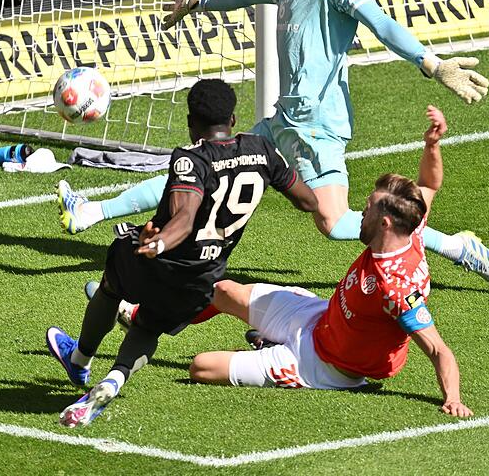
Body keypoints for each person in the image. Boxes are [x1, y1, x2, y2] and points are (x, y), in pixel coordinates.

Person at [55, 0, 489, 289]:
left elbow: (381, 23)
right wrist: (202, 2)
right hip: (282, 119)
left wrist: (432, 64)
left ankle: (455, 246)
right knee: (197, 169)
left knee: (332, 223)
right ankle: (90, 212)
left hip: (318, 125)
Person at [46, 79, 317, 427]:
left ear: (191, 123)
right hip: (203, 278)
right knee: (148, 327)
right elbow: (307, 201)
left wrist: (158, 243)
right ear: (233, 119)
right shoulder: (263, 149)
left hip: (159, 261)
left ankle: (80, 359)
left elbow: (184, 218)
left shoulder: (192, 159)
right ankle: (114, 380)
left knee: (111, 286)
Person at [188, 105, 473, 418]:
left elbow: (437, 349)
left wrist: (453, 399)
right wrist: (432, 145)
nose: (362, 212)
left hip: (321, 365)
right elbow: (429, 185)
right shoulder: (411, 229)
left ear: (385, 224)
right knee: (224, 290)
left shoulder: (395, 289)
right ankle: (144, 315)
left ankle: (272, 349)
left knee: (201, 367)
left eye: (369, 208)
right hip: (320, 317)